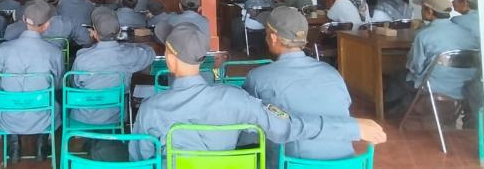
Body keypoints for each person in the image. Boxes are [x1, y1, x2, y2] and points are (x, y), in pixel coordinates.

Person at [129, 22, 387, 164]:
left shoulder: (151, 109)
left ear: (170, 59)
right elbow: (289, 126)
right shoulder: (235, 99)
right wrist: (351, 127)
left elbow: (140, 161)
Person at [244, 7, 354, 167]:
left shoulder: (258, 77)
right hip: (348, 164)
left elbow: (248, 130)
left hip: (292, 164)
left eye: (266, 33)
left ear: (273, 38)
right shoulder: (333, 73)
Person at [0, 1, 64, 163]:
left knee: (6, 96)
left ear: (24, 20)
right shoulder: (54, 52)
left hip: (9, 116)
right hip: (43, 115)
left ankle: (14, 145)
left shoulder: (3, 49)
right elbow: (58, 84)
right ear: (47, 25)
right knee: (53, 98)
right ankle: (41, 144)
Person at [385, 0, 479, 113]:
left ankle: (392, 111)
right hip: (465, 88)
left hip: (435, 87)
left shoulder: (424, 35)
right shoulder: (466, 34)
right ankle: (413, 107)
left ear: (429, 11)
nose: (421, 10)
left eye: (422, 8)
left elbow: (415, 68)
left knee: (397, 76)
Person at [70, 7, 155, 125]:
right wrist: (134, 46)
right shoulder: (130, 55)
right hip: (115, 116)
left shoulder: (82, 58)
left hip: (83, 116)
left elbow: (74, 84)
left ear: (94, 33)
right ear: (119, 32)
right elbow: (150, 53)